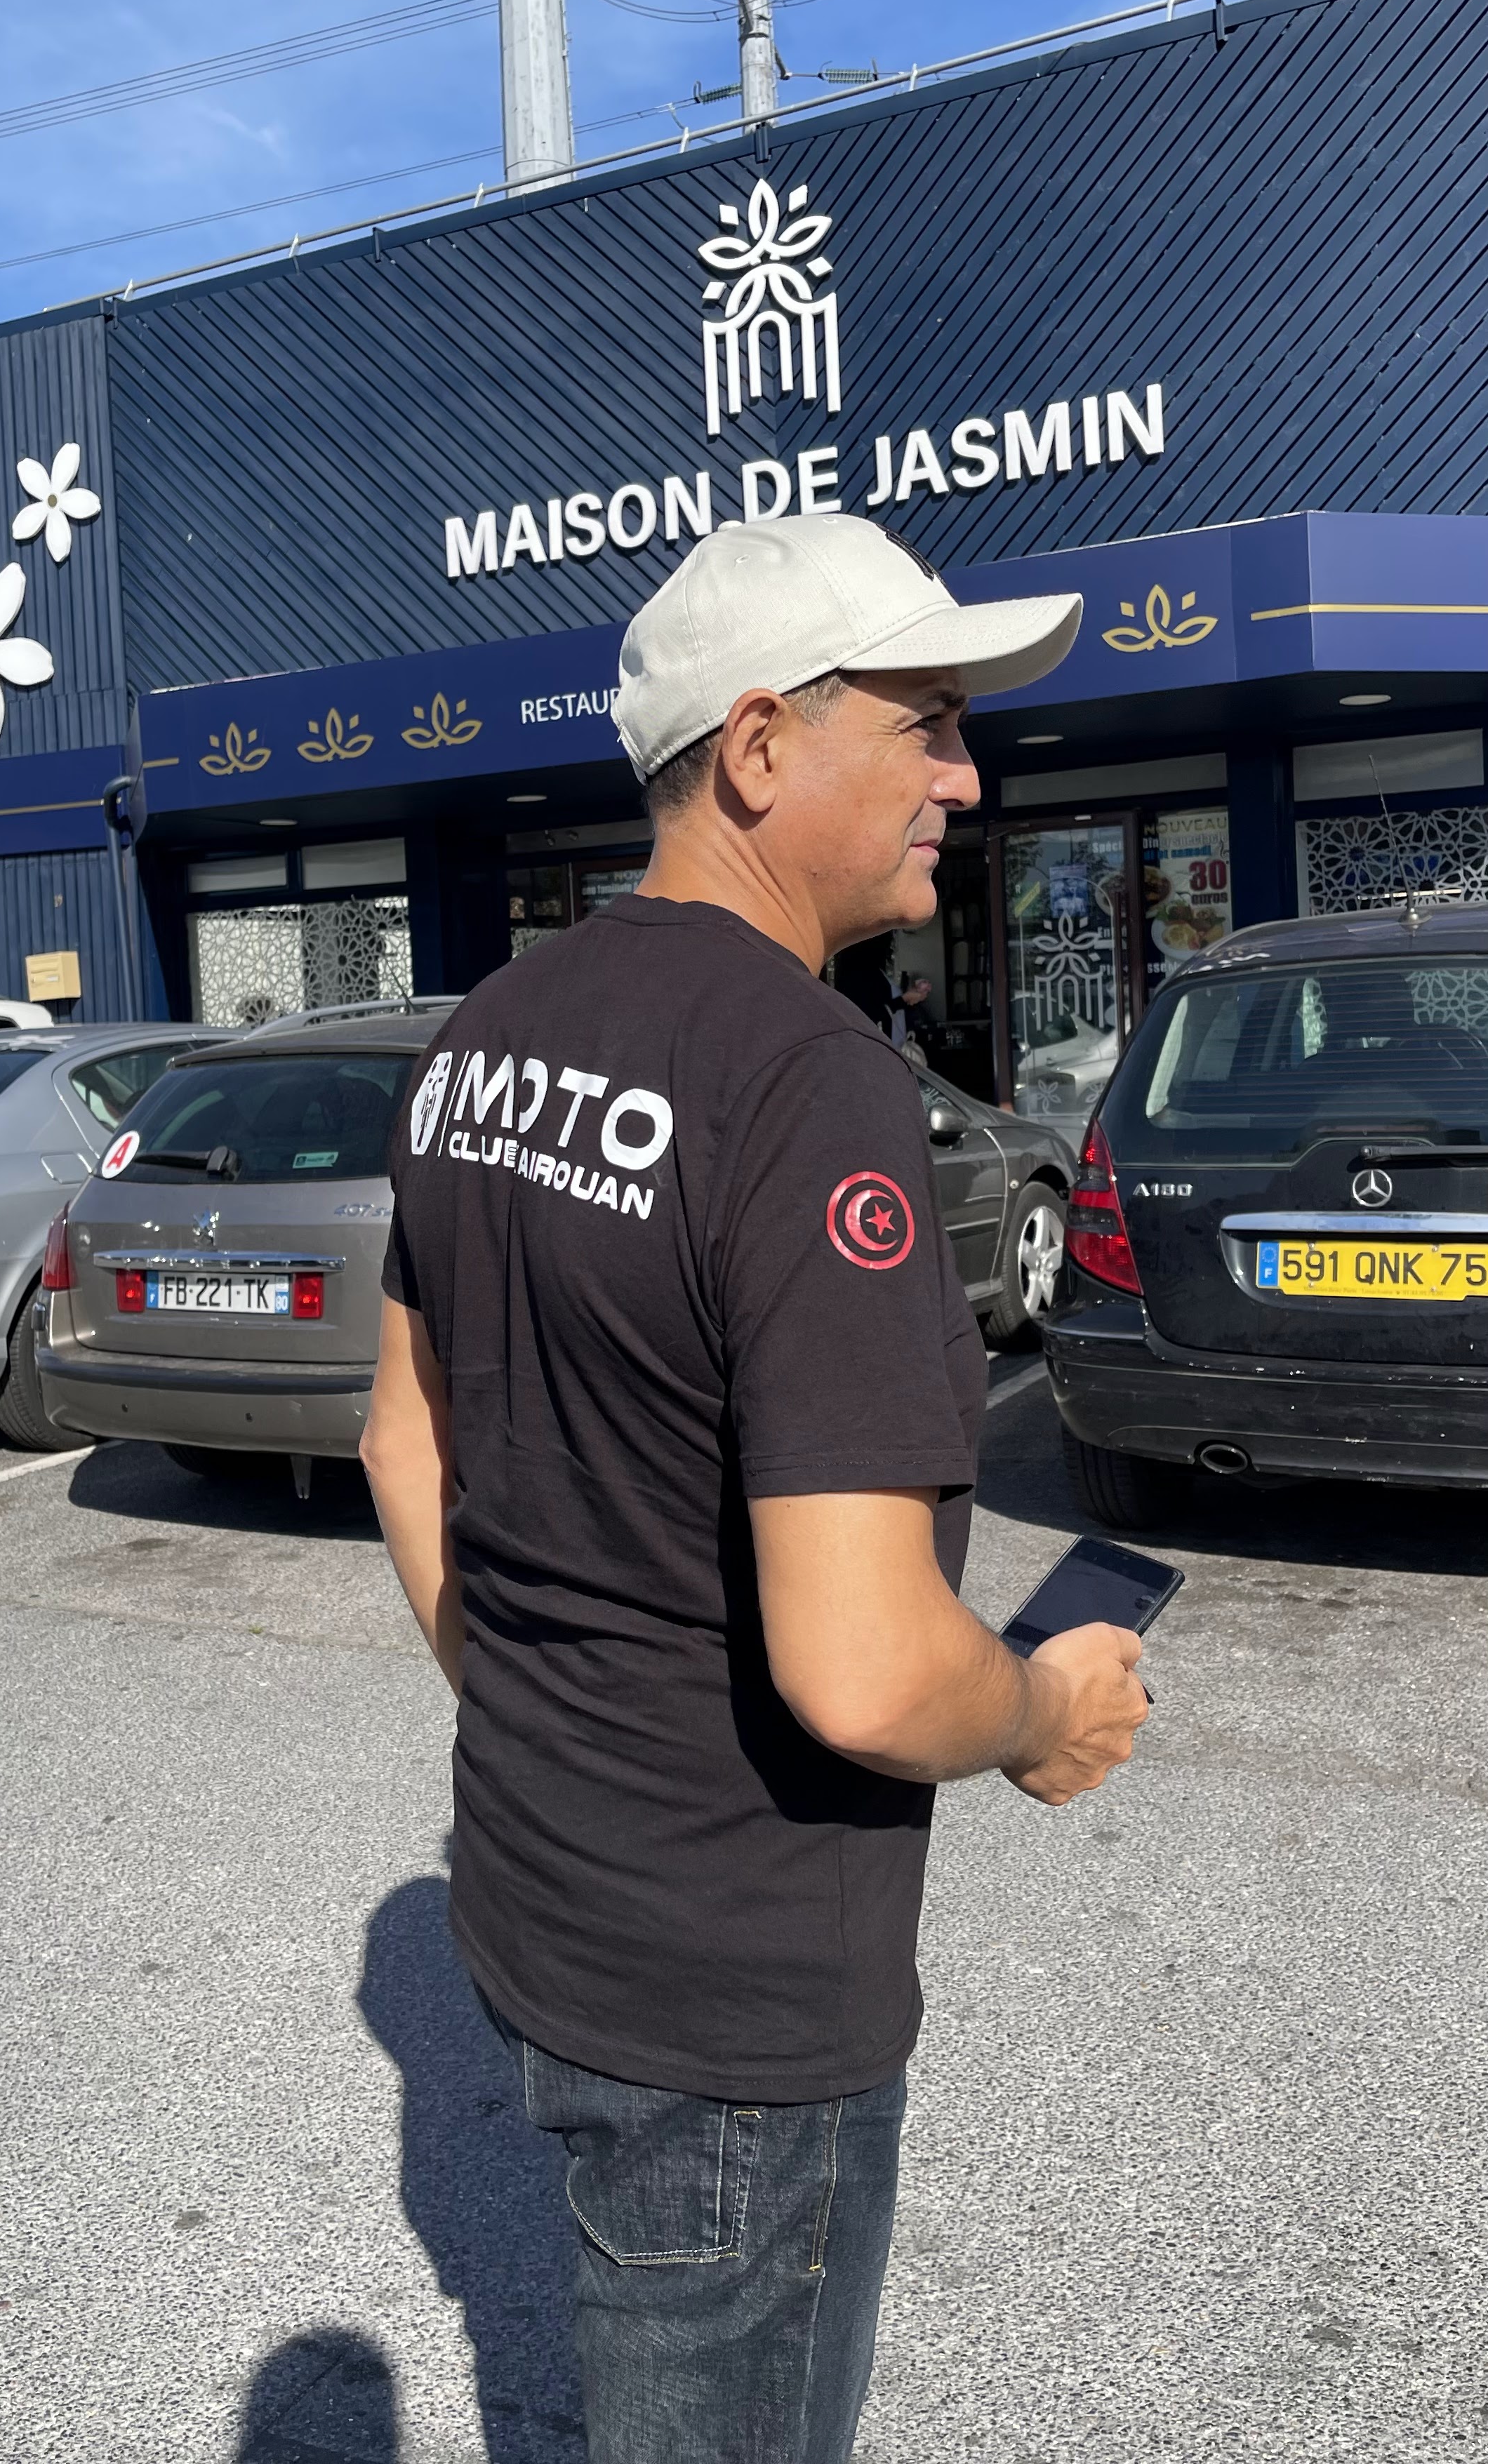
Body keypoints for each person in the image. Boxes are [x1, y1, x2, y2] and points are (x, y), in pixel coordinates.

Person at [362, 514, 1150, 2464]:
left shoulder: (483, 1034)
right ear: (758, 746)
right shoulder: (806, 1080)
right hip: (736, 1998)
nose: (966, 779)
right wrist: (1042, 1709)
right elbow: (868, 1674)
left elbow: (402, 1441)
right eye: (926, 722)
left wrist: (556, 1722)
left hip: (538, 1897)